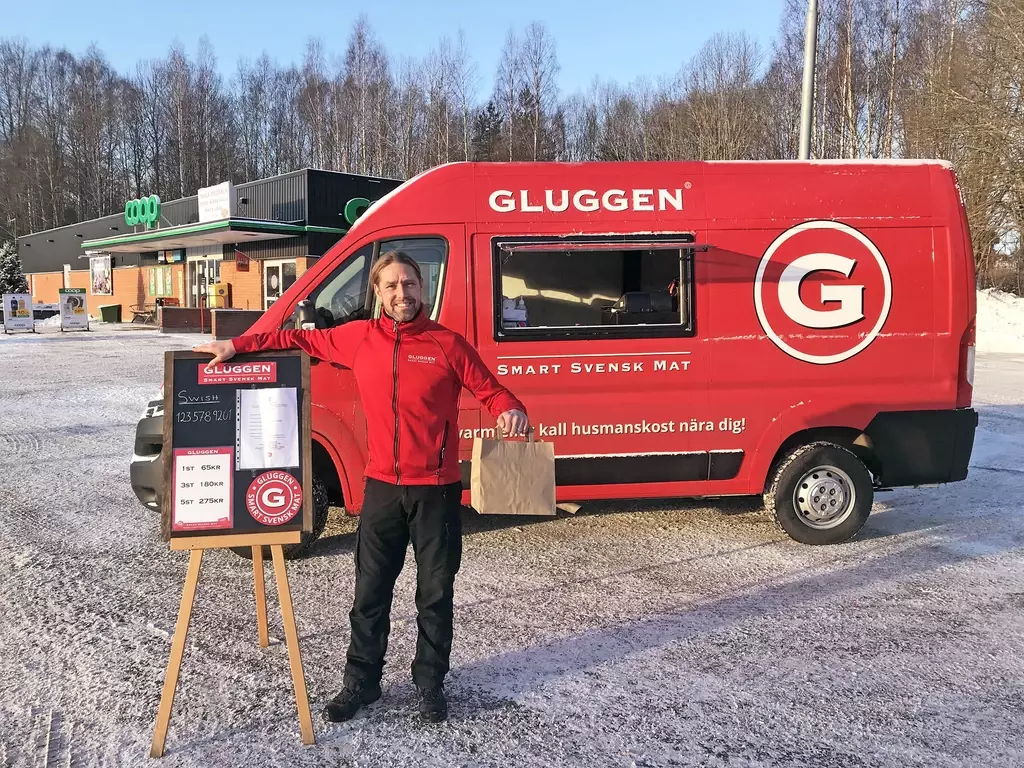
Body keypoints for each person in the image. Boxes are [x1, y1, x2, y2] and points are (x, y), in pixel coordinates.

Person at [193, 250, 529, 724]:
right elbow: (295, 338)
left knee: (435, 594)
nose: (402, 294)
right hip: (382, 491)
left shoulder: (447, 344)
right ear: (377, 292)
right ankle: (361, 683)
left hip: (436, 490)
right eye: (391, 286)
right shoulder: (357, 340)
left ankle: (430, 682)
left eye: (409, 284)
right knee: (370, 593)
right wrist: (238, 346)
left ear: (422, 288)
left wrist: (511, 410)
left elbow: (495, 391)